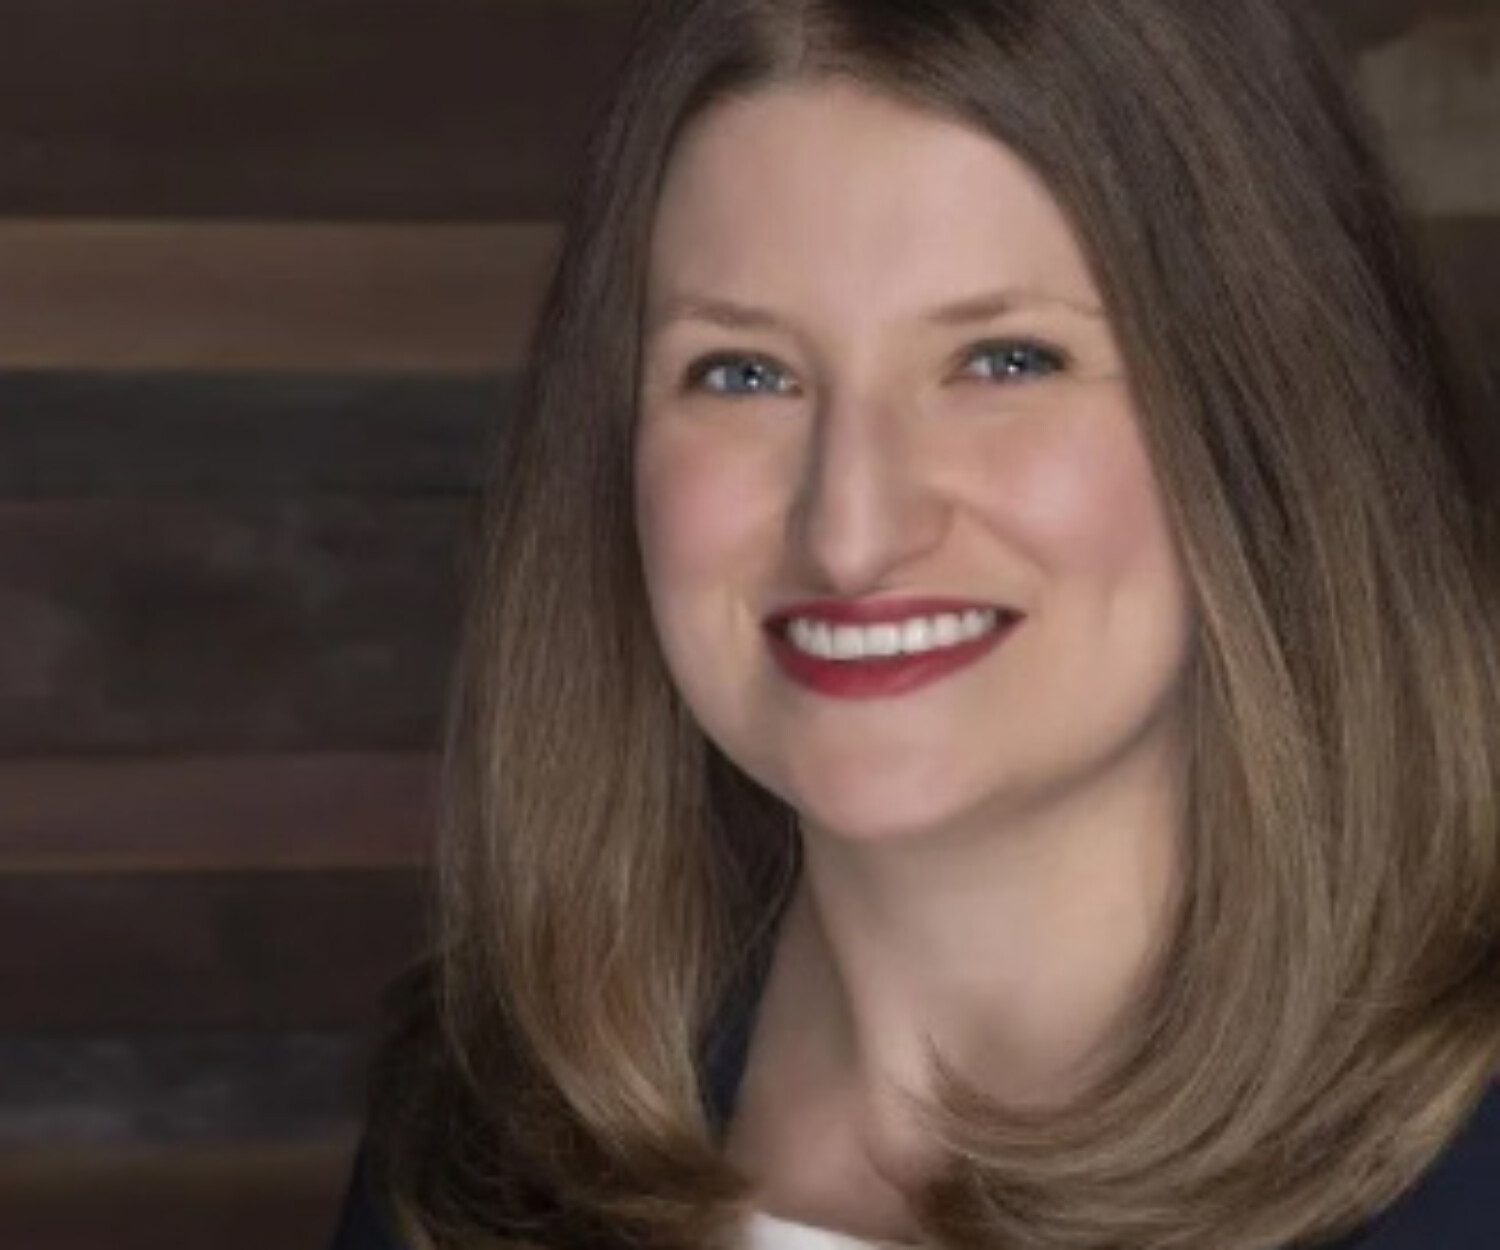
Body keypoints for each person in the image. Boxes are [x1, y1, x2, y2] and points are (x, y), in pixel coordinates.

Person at [331, 0, 1500, 1246]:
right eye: (743, 372)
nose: (851, 528)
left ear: (1264, 417)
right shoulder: (480, 1132)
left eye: (1004, 360)